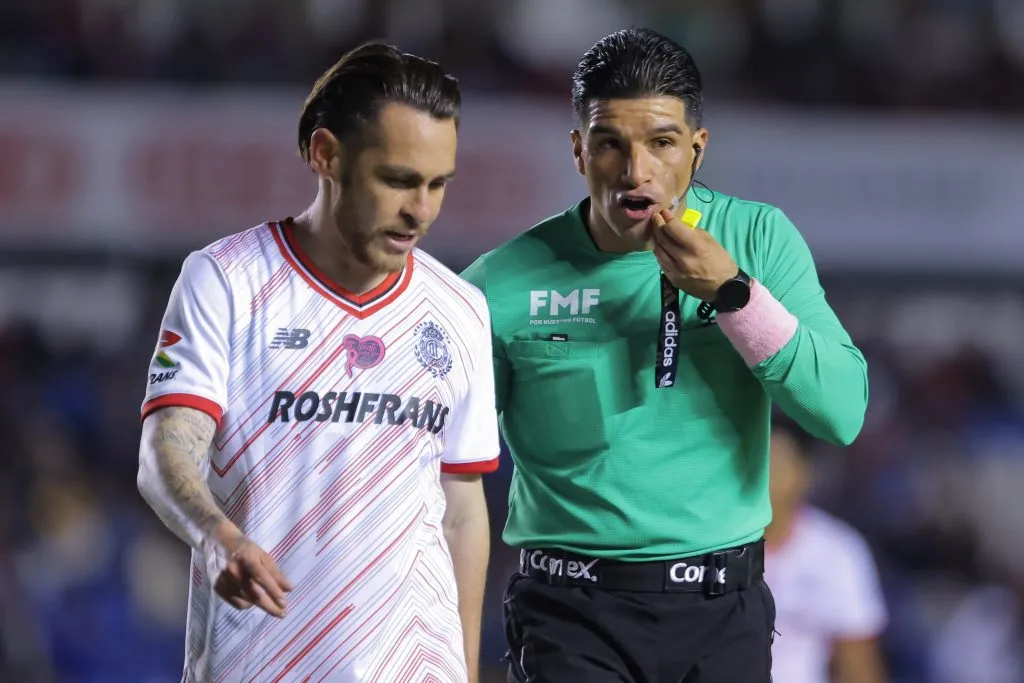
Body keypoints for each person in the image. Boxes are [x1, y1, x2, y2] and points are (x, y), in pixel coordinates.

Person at [461, 27, 869, 683]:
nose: (635, 170)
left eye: (661, 142)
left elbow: (843, 411)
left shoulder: (756, 239)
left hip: (721, 609)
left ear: (697, 149)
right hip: (570, 613)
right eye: (610, 144)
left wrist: (735, 296)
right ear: (578, 151)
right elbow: (438, 472)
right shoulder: (500, 283)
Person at [136, 41, 500, 683]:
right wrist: (217, 538)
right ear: (325, 154)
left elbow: (462, 509)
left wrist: (466, 671)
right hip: (261, 664)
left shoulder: (460, 308)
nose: (421, 209)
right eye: (397, 180)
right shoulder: (226, 281)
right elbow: (164, 454)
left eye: (437, 184)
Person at [765, 420, 889, 683]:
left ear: (804, 473)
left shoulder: (837, 552)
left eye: (776, 465)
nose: (765, 477)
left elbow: (859, 666)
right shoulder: (711, 546)